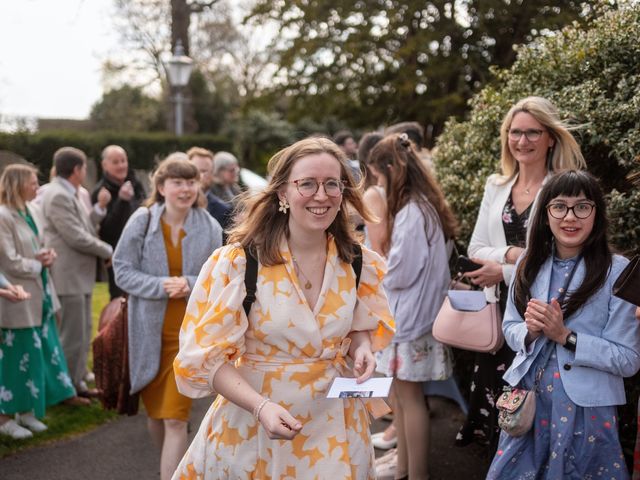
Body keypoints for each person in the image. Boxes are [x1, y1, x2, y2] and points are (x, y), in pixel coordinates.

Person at [172, 137, 394, 479]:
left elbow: (357, 323)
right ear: (281, 193)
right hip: (253, 432)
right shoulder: (238, 263)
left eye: (331, 184)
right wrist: (260, 408)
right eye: (307, 183)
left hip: (336, 431)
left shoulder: (357, 260)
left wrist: (363, 346)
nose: (321, 195)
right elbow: (205, 361)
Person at [487, 170, 640, 479]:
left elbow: (628, 359)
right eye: (559, 206)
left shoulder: (617, 271)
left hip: (588, 412)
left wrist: (565, 336)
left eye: (582, 206)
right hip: (529, 402)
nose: (570, 217)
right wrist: (530, 332)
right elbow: (511, 329)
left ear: (597, 213)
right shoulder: (527, 262)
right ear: (545, 215)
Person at [457, 96, 586, 453]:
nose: (522, 141)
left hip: (545, 311)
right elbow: (476, 248)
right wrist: (514, 256)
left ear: (550, 138)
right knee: (500, 409)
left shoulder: (563, 187)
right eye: (515, 132)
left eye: (532, 132)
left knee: (538, 412)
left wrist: (506, 269)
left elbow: (564, 255)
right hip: (499, 313)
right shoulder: (496, 184)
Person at [113, 153, 222, 480]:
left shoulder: (210, 226)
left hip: (188, 337)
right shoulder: (142, 220)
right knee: (157, 417)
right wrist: (160, 285)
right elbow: (121, 270)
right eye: (177, 182)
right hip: (147, 335)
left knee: (176, 418)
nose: (186, 189)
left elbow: (217, 277)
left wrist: (188, 283)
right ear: (161, 187)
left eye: (191, 182)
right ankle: (170, 467)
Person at [368, 134, 458, 479]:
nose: (377, 183)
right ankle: (404, 467)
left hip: (408, 320)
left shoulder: (410, 212)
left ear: (392, 170)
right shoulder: (425, 206)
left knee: (408, 400)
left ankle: (415, 472)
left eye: (378, 176)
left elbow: (399, 273)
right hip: (418, 317)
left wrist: (375, 267)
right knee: (405, 400)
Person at [0, 164, 85, 440]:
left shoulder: (31, 210)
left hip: (39, 295)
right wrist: (38, 264)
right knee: (14, 359)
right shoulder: (3, 216)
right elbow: (9, 260)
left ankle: (26, 413)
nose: (38, 188)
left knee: (33, 357)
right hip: (16, 298)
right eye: (33, 183)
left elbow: (35, 246)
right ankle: (5, 418)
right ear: (16, 185)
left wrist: (46, 255)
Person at [40, 147, 114, 397]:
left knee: (82, 331)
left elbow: (84, 228)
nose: (85, 172)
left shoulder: (69, 192)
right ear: (76, 170)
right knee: (72, 334)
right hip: (67, 275)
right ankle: (67, 388)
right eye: (84, 168)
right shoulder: (58, 194)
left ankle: (77, 379)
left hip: (77, 275)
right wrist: (109, 251)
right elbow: (75, 237)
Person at [91, 145, 146, 299]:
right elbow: (106, 229)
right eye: (116, 162)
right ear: (105, 165)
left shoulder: (135, 183)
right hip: (117, 255)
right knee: (119, 301)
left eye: (123, 161)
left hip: (142, 250)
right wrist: (121, 202)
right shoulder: (101, 191)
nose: (121, 166)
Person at [186, 146, 231, 233]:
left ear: (212, 174)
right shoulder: (174, 205)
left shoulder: (223, 211)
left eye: (204, 171)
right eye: (195, 170)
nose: (200, 176)